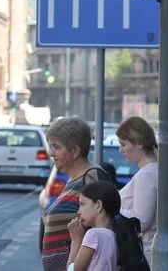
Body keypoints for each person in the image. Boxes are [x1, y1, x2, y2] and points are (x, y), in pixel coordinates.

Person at [41, 116, 113, 271]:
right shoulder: (75, 179)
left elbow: (106, 225)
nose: (51, 153)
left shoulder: (92, 177)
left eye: (56, 146)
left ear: (74, 151)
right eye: (50, 146)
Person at [116, 116, 158, 259]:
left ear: (139, 143)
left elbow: (141, 221)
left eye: (123, 144)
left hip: (146, 255)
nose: (120, 150)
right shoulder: (155, 171)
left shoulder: (146, 175)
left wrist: (111, 209)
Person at [67, 181, 121, 271]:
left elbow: (73, 270)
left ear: (98, 205)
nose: (79, 211)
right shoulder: (115, 234)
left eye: (82, 204)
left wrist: (76, 241)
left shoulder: (93, 234)